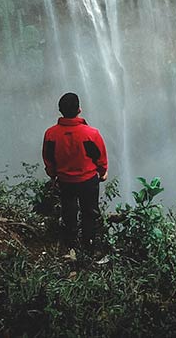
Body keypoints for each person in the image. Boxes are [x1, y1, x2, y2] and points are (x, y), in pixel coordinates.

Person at [42, 92, 108, 254]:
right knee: (89, 212)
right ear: (79, 109)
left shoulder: (51, 134)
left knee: (69, 210)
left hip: (65, 181)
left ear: (60, 110)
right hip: (87, 181)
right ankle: (89, 246)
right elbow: (100, 156)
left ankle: (70, 244)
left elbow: (48, 157)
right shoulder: (91, 134)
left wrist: (52, 175)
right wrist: (103, 172)